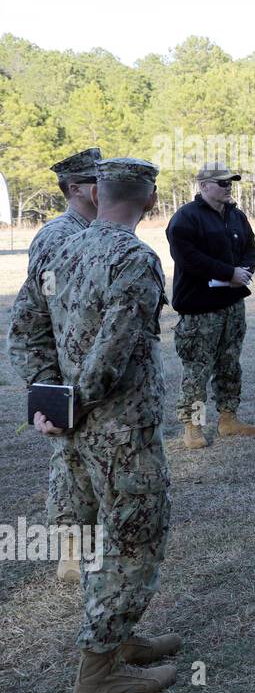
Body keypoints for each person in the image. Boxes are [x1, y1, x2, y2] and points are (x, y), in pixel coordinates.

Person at [14, 157, 180, 693]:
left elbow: (26, 328)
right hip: (120, 430)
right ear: (150, 198)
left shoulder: (61, 246)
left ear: (98, 193)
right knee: (134, 539)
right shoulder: (134, 256)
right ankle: (99, 672)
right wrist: (77, 401)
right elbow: (117, 347)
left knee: (107, 538)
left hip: (77, 431)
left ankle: (121, 636)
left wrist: (51, 401)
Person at [6, 146, 101, 584]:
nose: (105, 186)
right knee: (71, 465)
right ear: (76, 188)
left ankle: (94, 546)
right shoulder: (59, 235)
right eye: (95, 179)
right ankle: (69, 551)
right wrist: (47, 387)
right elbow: (33, 317)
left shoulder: (99, 229)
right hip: (69, 375)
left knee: (93, 463)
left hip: (98, 373)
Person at [165, 162, 255, 448]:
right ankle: (193, 427)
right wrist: (227, 273)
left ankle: (228, 419)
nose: (228, 187)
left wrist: (243, 272)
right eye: (222, 183)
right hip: (200, 308)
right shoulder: (186, 217)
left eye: (230, 182)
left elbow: (251, 249)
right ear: (204, 185)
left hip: (232, 304)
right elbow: (188, 258)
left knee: (229, 364)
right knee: (198, 368)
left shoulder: (236, 215)